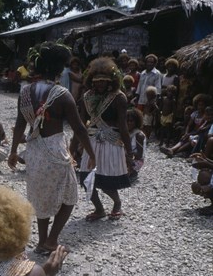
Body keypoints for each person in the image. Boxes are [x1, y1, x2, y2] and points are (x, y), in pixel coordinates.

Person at [9, 41, 96, 253]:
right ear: (59, 69)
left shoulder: (25, 93)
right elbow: (79, 129)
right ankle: (51, 240)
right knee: (70, 195)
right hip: (55, 150)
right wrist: (91, 154)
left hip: (34, 150)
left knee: (40, 196)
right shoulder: (62, 94)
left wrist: (13, 151)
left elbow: (20, 124)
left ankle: (41, 242)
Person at [76, 57, 133, 221]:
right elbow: (81, 124)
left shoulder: (118, 98)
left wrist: (129, 151)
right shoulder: (87, 97)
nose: (99, 84)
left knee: (107, 180)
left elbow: (123, 126)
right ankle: (99, 209)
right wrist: (78, 144)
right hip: (92, 140)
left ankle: (117, 203)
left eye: (103, 81)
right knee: (87, 178)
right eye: (96, 81)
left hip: (111, 141)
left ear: (111, 81)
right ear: (91, 81)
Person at [126, 108, 146, 183]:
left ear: (136, 122)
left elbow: (139, 156)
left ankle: (133, 172)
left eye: (131, 121)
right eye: (127, 121)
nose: (129, 123)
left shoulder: (138, 135)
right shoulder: (128, 132)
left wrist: (126, 152)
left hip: (137, 161)